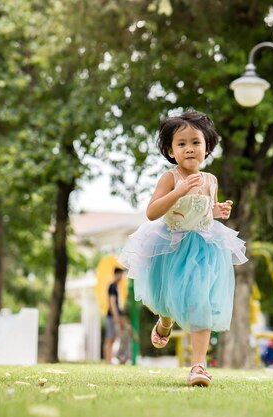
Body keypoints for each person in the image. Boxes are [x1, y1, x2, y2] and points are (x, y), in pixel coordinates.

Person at [118, 109, 248, 387]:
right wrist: (178, 191)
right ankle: (165, 323)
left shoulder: (211, 180)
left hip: (203, 247)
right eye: (181, 144)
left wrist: (218, 210)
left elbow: (203, 210)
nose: (189, 149)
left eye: (196, 142)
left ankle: (199, 366)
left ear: (208, 147)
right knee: (169, 301)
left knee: (200, 301)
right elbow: (152, 212)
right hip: (171, 246)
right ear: (171, 150)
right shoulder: (170, 178)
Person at [104, 267, 125, 364]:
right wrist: (115, 317)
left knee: (113, 338)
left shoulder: (116, 287)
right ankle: (108, 360)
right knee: (110, 338)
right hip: (111, 316)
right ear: (117, 274)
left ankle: (110, 359)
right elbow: (112, 303)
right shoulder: (112, 286)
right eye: (121, 275)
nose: (122, 277)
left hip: (113, 316)